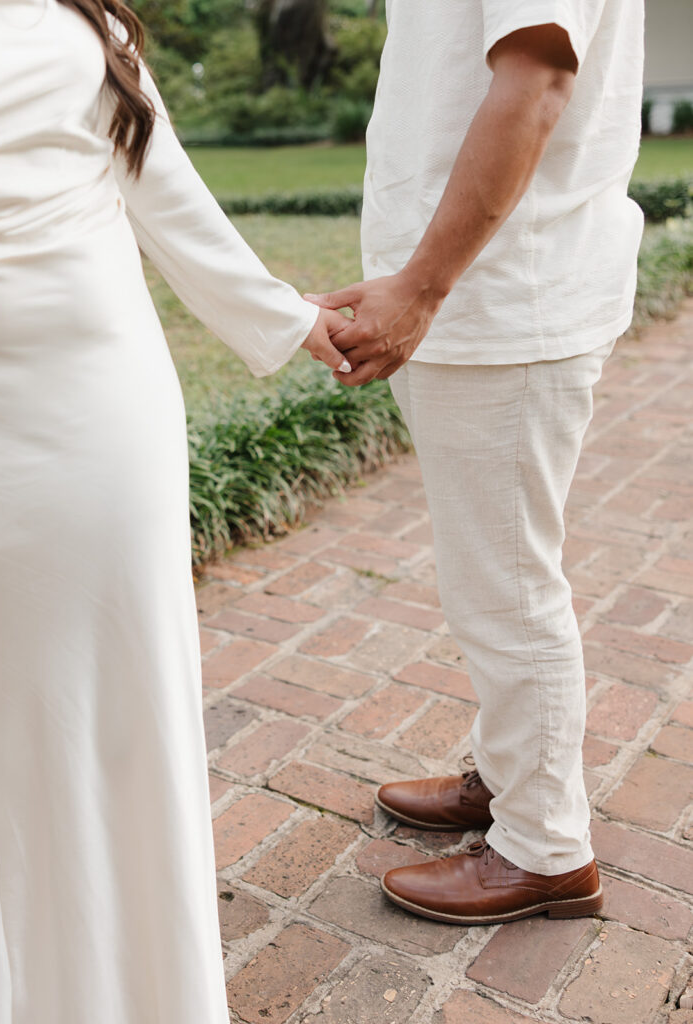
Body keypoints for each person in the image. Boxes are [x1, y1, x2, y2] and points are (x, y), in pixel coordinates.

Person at [0, 1, 349, 1020]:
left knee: (128, 741)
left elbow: (165, 192)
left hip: (100, 427)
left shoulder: (78, 18)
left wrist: (291, 320)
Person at [308, 0, 644, 924]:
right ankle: (508, 777)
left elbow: (534, 82)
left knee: (507, 586)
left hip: (501, 299)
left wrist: (420, 289)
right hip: (484, 297)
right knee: (490, 577)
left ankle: (543, 849)